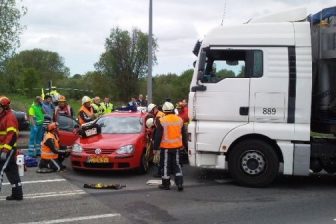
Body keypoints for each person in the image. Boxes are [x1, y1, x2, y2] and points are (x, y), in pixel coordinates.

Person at [154, 102, 185, 191]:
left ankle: (166, 184)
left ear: (164, 110)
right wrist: (184, 145)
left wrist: (155, 148)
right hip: (177, 147)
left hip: (166, 147)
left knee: (166, 165)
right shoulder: (179, 119)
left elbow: (158, 135)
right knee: (177, 165)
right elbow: (183, 134)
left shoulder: (162, 120)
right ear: (172, 109)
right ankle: (179, 183)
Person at [0, 96, 23, 200]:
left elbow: (12, 135)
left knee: (1, 170)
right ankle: (17, 194)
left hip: (7, 150)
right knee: (11, 170)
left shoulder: (10, 117)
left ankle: (17, 193)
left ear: (4, 107)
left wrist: (5, 151)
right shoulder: (3, 116)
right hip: (5, 149)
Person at [147, 103, 165, 177]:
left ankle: (160, 173)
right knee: (163, 158)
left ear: (154, 109)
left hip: (162, 140)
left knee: (158, 159)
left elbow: (158, 133)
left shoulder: (158, 117)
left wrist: (155, 147)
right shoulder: (161, 114)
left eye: (151, 112)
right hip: (166, 138)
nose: (151, 114)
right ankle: (164, 171)